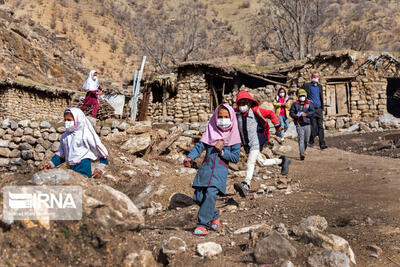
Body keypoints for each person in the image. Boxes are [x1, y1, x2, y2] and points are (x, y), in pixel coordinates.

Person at [183, 104, 241, 235]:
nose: (222, 119)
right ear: (215, 117)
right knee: (198, 197)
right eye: (220, 116)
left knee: (210, 195)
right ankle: (215, 214)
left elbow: (235, 157)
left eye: (226, 117)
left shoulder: (234, 136)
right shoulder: (210, 131)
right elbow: (199, 147)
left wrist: (222, 151)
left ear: (231, 118)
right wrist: (190, 158)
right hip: (205, 170)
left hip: (219, 173)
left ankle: (202, 224)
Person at [233, 91, 291, 198]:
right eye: (240, 103)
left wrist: (277, 125)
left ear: (250, 103)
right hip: (246, 145)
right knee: (262, 162)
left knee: (250, 162)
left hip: (255, 143)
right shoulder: (235, 114)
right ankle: (282, 161)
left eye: (245, 103)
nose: (242, 105)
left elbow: (270, 114)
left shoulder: (255, 111)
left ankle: (246, 185)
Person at [43, 108, 109, 178]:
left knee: (82, 184)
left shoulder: (85, 134)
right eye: (65, 120)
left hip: (82, 166)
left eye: (69, 120)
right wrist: (51, 164)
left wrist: (101, 166)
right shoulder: (65, 136)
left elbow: (98, 148)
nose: (66, 122)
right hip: (70, 166)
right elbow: (62, 153)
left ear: (78, 120)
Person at [301, 72, 328, 149]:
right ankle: (311, 140)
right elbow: (298, 92)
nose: (316, 78)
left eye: (317, 76)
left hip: (319, 109)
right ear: (311, 77)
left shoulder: (320, 86)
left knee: (320, 127)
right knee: (313, 127)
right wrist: (306, 100)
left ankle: (322, 144)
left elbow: (320, 97)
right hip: (311, 109)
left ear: (319, 77)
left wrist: (322, 108)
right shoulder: (307, 86)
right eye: (314, 76)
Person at [290, 89, 315, 160]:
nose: (302, 97)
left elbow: (312, 112)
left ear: (306, 96)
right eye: (301, 96)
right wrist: (295, 116)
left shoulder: (309, 104)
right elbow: (291, 112)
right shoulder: (295, 104)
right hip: (299, 124)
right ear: (298, 96)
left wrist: (306, 114)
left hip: (307, 123)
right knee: (301, 139)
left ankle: (303, 150)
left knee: (306, 140)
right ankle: (302, 154)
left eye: (303, 96)